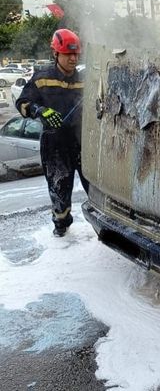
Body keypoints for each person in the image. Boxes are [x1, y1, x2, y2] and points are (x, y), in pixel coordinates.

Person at [15, 29, 89, 237]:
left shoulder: (85, 79)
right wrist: (39, 110)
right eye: (68, 54)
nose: (73, 59)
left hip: (82, 142)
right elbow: (21, 103)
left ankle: (103, 224)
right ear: (56, 54)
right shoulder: (42, 79)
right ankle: (61, 226)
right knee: (59, 190)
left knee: (95, 188)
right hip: (54, 144)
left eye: (76, 54)